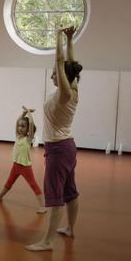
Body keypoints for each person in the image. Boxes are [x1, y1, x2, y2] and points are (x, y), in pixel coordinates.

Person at [26, 26, 83, 251]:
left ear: (62, 76)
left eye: (54, 72)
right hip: (68, 146)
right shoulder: (74, 88)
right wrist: (70, 39)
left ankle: (47, 242)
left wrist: (59, 36)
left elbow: (61, 63)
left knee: (56, 195)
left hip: (59, 150)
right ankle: (69, 228)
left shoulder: (64, 94)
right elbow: (69, 65)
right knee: (70, 190)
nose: (52, 74)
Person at [0, 106, 47, 214]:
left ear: (28, 129)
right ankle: (0, 196)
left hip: (25, 167)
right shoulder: (18, 136)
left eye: (23, 126)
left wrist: (29, 113)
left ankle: (43, 206)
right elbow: (17, 122)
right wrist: (23, 113)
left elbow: (30, 125)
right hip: (16, 165)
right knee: (9, 182)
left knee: (33, 184)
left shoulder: (28, 139)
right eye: (20, 126)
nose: (20, 128)